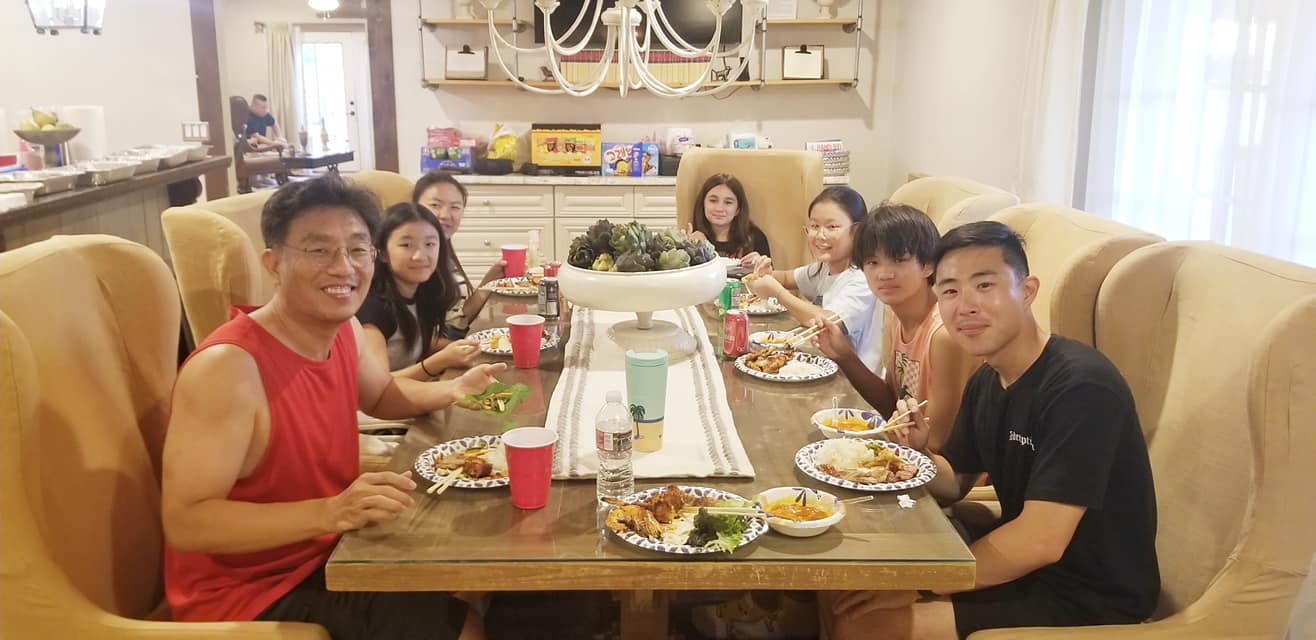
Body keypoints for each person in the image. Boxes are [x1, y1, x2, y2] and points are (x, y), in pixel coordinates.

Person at [161, 176, 505, 640]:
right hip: (255, 590)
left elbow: (381, 395)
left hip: (332, 550)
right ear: (273, 264)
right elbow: (187, 521)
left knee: (481, 566)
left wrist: (455, 390)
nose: (343, 267)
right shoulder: (228, 368)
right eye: (318, 250)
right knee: (465, 625)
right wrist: (331, 512)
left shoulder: (342, 329)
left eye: (358, 249)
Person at [821, 221, 1160, 639]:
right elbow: (955, 482)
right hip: (1029, 567)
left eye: (984, 285)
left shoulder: (1081, 386)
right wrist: (918, 453)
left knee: (862, 622)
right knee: (848, 573)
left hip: (1089, 593)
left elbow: (1041, 540)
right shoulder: (988, 379)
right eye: (949, 291)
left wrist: (923, 583)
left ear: (1027, 290)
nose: (965, 306)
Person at [813, 203, 975, 450]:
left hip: (939, 467)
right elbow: (891, 403)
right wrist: (844, 355)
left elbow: (937, 442)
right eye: (873, 262)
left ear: (928, 265)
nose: (884, 274)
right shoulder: (898, 318)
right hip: (909, 450)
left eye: (899, 260)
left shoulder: (943, 335)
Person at [743, 186, 881, 369]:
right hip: (824, 364)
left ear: (857, 231)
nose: (820, 235)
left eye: (832, 227)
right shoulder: (824, 268)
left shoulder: (862, 279)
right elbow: (786, 277)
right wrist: (765, 272)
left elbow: (827, 323)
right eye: (814, 226)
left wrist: (778, 294)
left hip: (851, 378)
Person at [356, 202, 480, 379]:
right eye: (406, 245)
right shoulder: (374, 308)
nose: (420, 256)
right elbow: (375, 385)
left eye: (429, 244)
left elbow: (416, 340)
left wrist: (469, 347)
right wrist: (439, 361)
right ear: (382, 253)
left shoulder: (423, 292)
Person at [413, 171, 506, 341]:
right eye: (435, 205)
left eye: (455, 207)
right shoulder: (415, 260)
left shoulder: (444, 251)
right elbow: (419, 340)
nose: (445, 215)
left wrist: (490, 282)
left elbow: (457, 322)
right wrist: (470, 348)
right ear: (414, 207)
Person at [687, 173, 771, 260]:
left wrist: (760, 265)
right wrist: (691, 250)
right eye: (713, 200)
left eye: (728, 202)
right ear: (702, 204)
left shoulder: (755, 238)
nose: (719, 208)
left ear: (738, 209)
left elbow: (767, 268)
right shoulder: (692, 239)